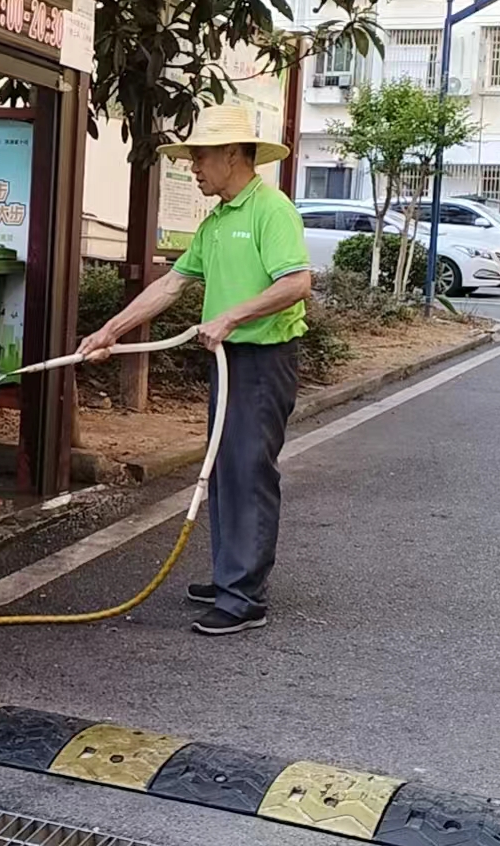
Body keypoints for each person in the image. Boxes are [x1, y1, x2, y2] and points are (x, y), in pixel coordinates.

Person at [77, 105, 311, 635]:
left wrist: (230, 316)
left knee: (247, 471)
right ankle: (234, 574)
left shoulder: (270, 211)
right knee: (224, 469)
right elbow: (170, 285)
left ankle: (244, 596)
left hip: (261, 360)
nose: (193, 167)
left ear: (233, 155)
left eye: (200, 156)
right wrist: (111, 331)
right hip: (229, 360)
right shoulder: (220, 219)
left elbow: (296, 283)